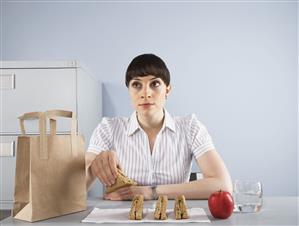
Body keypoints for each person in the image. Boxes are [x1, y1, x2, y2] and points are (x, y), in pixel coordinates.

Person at [85, 53, 232, 200]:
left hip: (174, 219)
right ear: (129, 90)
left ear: (167, 89)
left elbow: (222, 185)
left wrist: (151, 192)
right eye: (136, 85)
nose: (146, 93)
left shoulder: (190, 127)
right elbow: (74, 191)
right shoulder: (108, 129)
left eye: (154, 84)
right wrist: (93, 166)